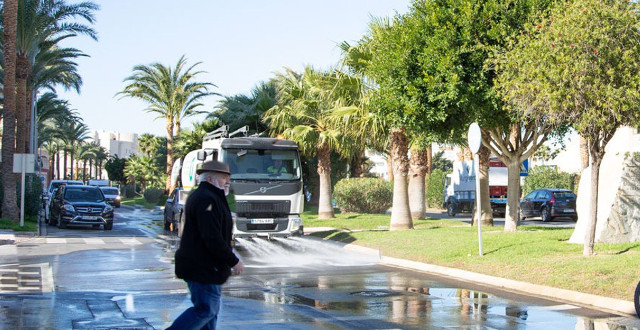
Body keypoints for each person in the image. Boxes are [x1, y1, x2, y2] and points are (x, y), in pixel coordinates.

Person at [168, 160, 244, 330]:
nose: (228, 182)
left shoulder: (209, 197)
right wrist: (233, 261)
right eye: (224, 178)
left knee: (210, 313)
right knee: (205, 310)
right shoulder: (206, 199)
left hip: (207, 267)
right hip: (203, 267)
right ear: (210, 179)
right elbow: (212, 237)